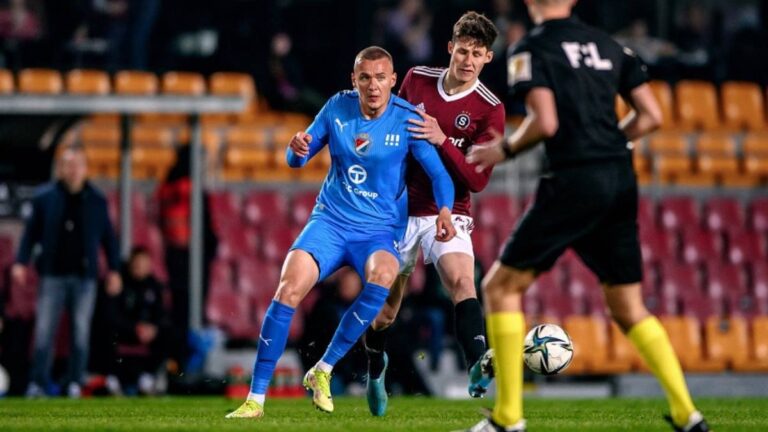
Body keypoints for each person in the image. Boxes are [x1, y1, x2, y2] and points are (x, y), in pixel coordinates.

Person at [463, 1, 710, 431]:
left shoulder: (532, 48)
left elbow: (546, 122)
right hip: (619, 179)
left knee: (500, 286)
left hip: (573, 178)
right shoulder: (609, 46)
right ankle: (687, 414)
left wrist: (501, 150)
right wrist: (613, 144)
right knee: (629, 306)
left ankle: (507, 419)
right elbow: (652, 115)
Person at [226, 45, 457, 419]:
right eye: (365, 77)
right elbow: (298, 158)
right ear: (355, 80)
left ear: (393, 80)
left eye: (381, 77)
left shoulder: (409, 119)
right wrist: (296, 150)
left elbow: (440, 176)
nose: (373, 85)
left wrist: (445, 210)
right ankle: (256, 399)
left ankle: (324, 368)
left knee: (383, 274)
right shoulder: (336, 107)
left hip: (378, 231)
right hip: (330, 222)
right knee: (288, 288)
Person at [362, 11, 505, 417]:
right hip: (400, 208)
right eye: (463, 51)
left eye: (477, 54)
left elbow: (477, 181)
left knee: (462, 280)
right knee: (386, 310)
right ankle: (376, 367)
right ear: (450, 49)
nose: (468, 61)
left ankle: (477, 362)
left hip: (450, 209)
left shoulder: (490, 109)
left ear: (488, 58)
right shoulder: (415, 79)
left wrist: (443, 140)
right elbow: (391, 133)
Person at [12, 145, 121, 398]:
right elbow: (30, 234)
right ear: (61, 168)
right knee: (44, 332)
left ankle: (74, 381)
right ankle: (38, 382)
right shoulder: (44, 198)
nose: (72, 170)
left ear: (85, 169)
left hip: (85, 277)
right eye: (68, 165)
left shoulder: (96, 200)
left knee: (80, 332)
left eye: (77, 165)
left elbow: (108, 238)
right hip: (52, 274)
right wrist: (21, 261)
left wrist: (114, 269)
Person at [102, 246, 169, 395]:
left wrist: (153, 328)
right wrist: (134, 327)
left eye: (144, 264)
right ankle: (111, 379)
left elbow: (160, 314)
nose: (140, 268)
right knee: (106, 330)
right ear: (131, 264)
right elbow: (111, 315)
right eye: (137, 264)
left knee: (168, 332)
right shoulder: (120, 283)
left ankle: (147, 377)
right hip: (125, 330)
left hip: (146, 333)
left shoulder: (154, 286)